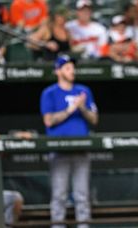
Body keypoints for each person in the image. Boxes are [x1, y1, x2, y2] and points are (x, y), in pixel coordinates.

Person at [40, 55, 98, 228]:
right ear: (58, 71)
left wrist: (81, 107)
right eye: (67, 68)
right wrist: (70, 108)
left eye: (73, 67)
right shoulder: (49, 93)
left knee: (82, 195)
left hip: (81, 148)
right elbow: (48, 120)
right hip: (59, 150)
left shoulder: (84, 91)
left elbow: (94, 119)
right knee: (59, 195)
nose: (72, 70)